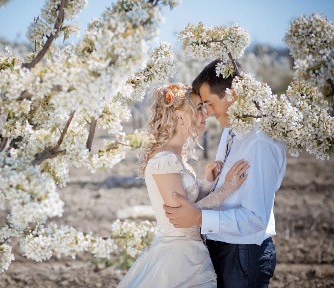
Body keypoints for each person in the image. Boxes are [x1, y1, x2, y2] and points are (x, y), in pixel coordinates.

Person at [164, 60, 287, 288]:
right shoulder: (230, 130)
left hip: (242, 254)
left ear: (233, 94)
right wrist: (213, 183)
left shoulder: (259, 142)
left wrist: (200, 218)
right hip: (221, 247)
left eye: (209, 103)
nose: (207, 112)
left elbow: (256, 219)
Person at [117, 83, 249, 288]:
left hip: (189, 253)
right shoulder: (164, 160)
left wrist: (209, 183)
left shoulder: (176, 157)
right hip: (179, 261)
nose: (205, 113)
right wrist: (225, 189)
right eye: (198, 108)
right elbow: (183, 218)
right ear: (179, 116)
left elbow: (190, 204)